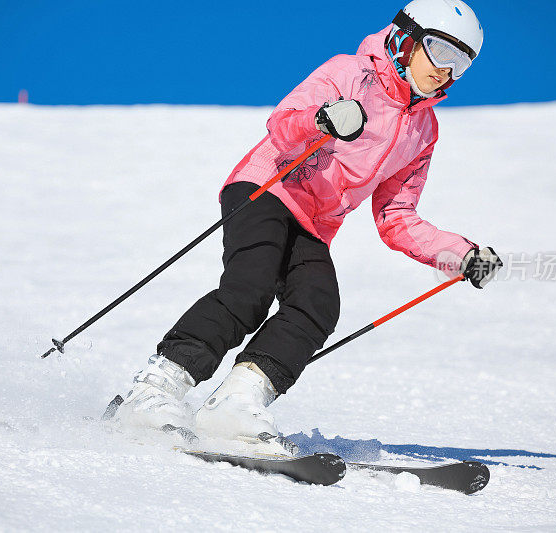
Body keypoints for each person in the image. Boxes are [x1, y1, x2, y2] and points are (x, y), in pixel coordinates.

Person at [118, 0, 503, 453]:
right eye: (440, 51)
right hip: (268, 187)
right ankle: (155, 389)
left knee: (318, 304)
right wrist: (323, 120)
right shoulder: (349, 73)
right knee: (250, 290)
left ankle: (236, 405)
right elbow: (282, 124)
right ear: (406, 38)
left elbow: (397, 218)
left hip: (314, 224)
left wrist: (460, 254)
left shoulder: (424, 130)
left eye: (461, 62)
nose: (446, 71)